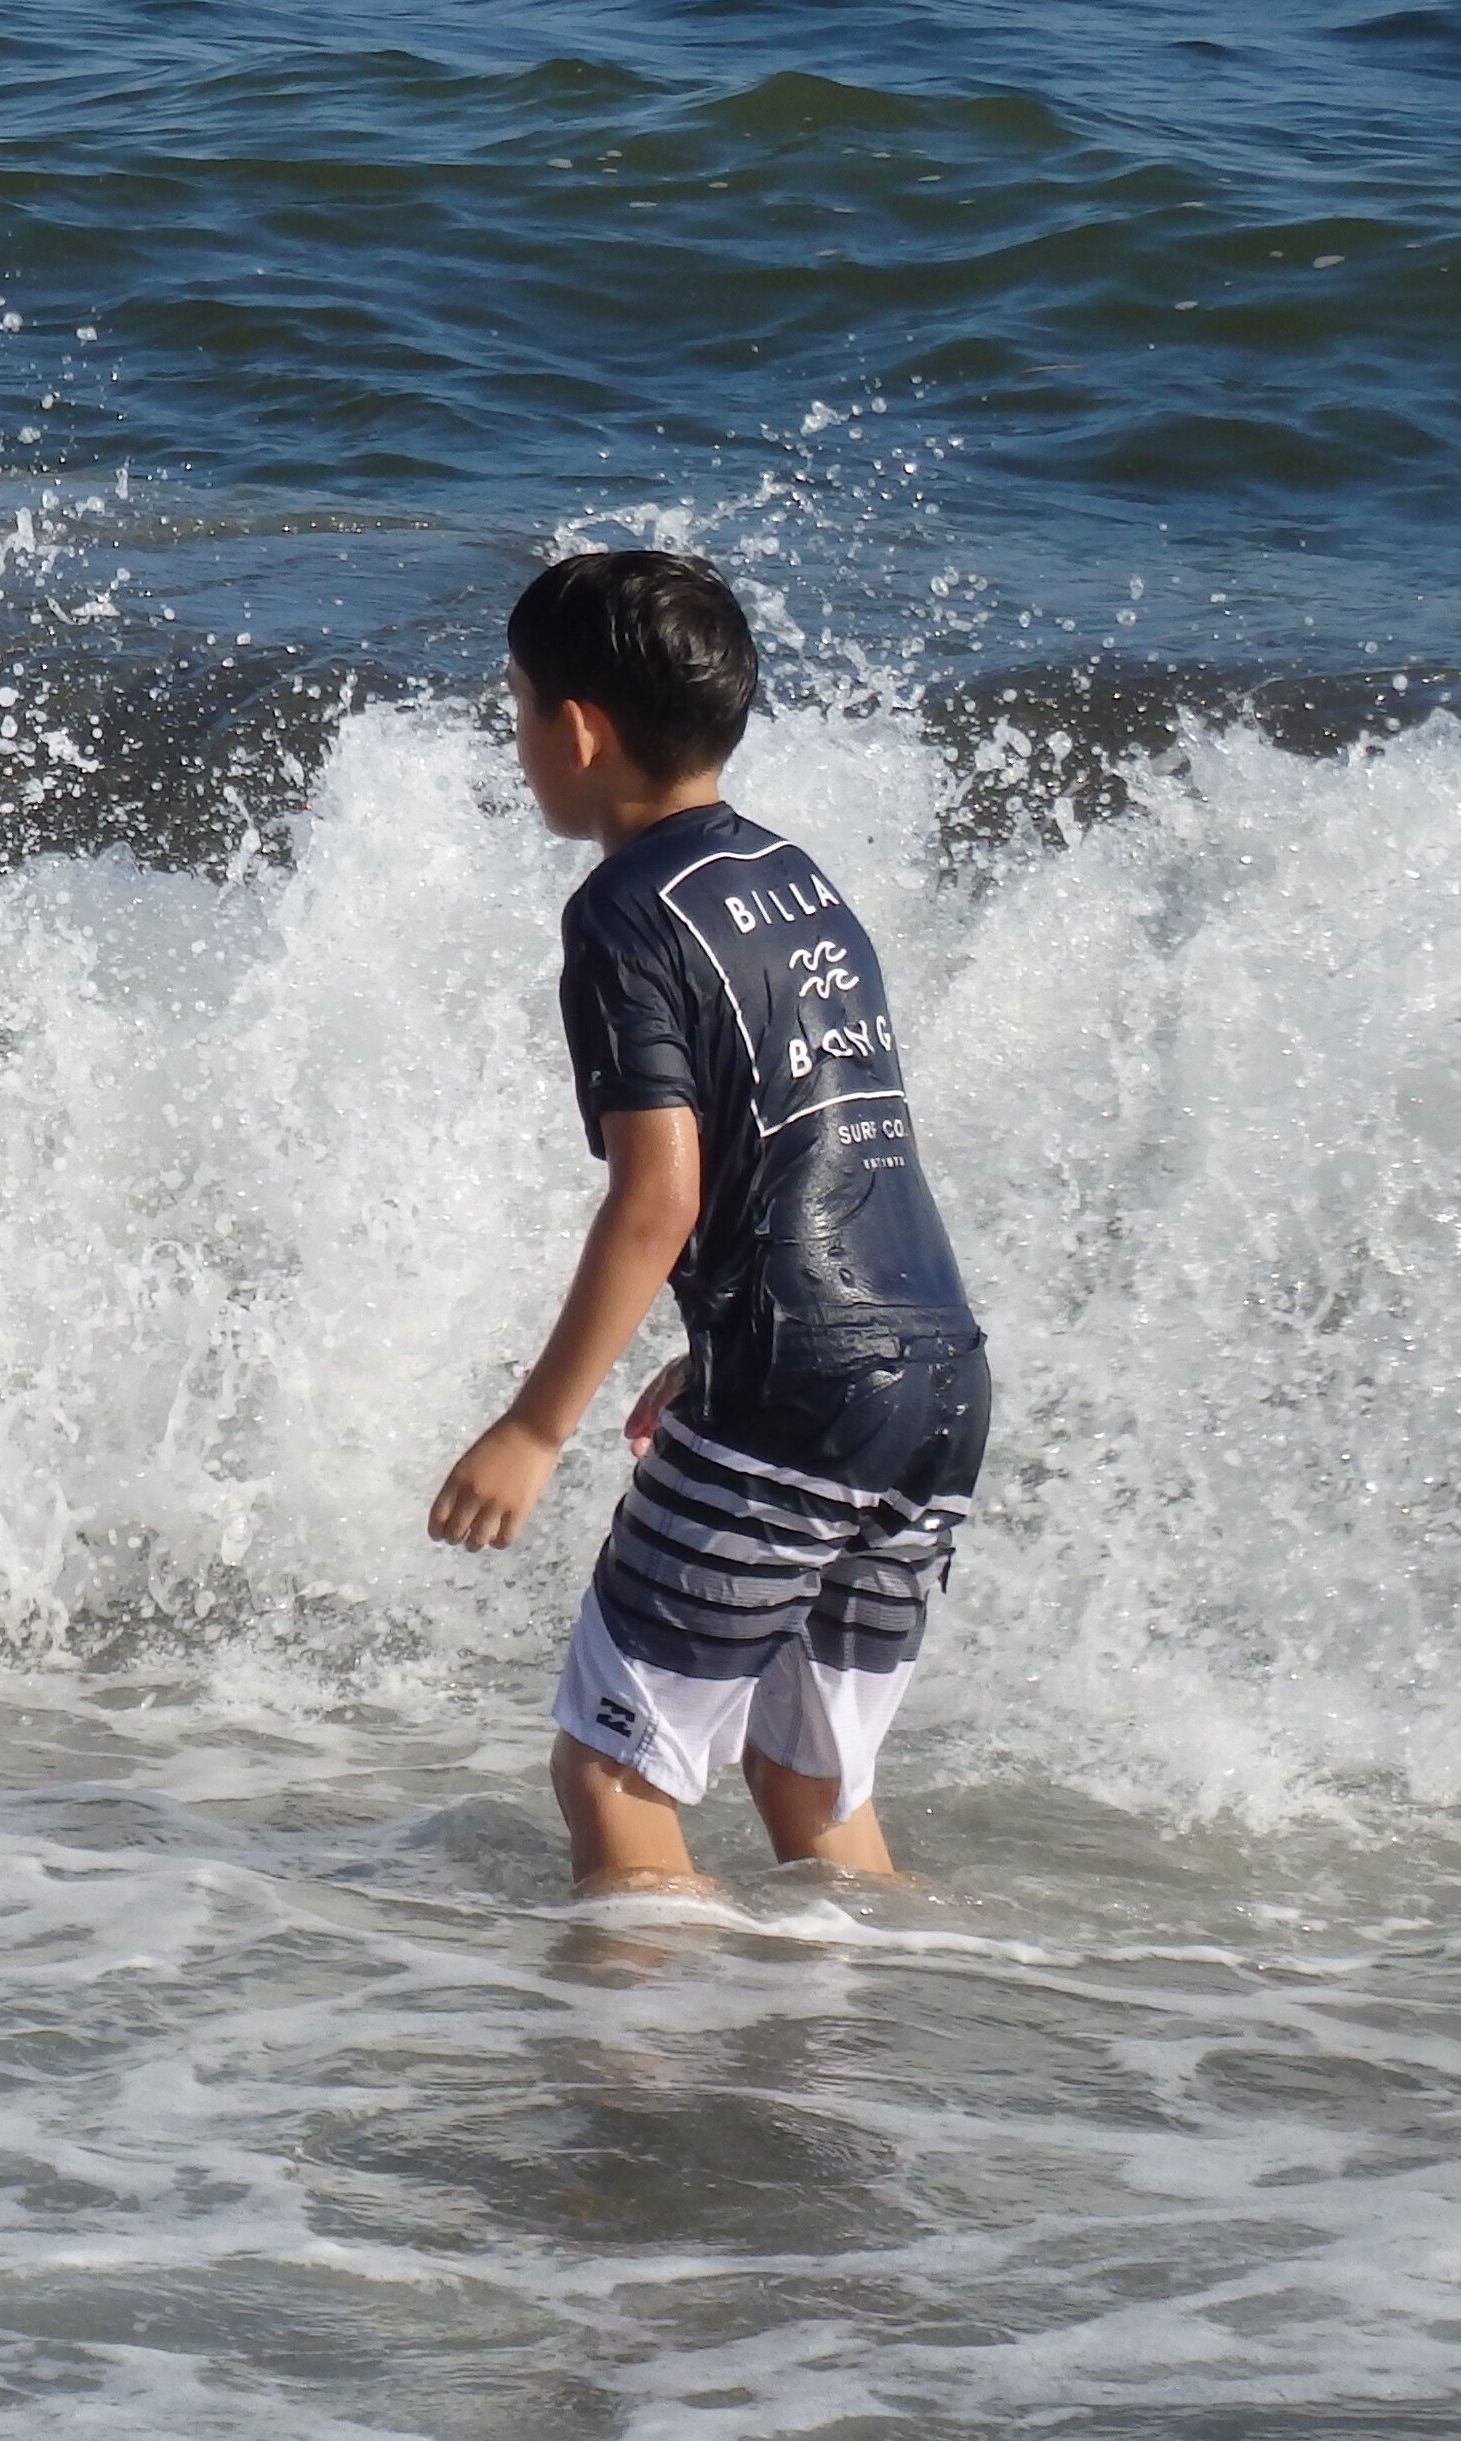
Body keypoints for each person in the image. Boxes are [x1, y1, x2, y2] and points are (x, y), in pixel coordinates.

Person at [427, 550, 989, 1897]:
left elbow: (658, 1196)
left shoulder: (625, 912)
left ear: (577, 730)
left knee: (611, 1770)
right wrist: (726, 1329)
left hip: (794, 1385)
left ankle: (654, 2037)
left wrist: (533, 1429)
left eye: (518, 709)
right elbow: (850, 1131)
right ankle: (877, 2017)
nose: (518, 740)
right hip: (934, 1374)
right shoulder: (797, 879)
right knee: (809, 1779)